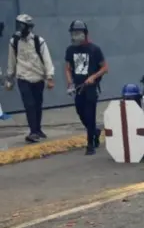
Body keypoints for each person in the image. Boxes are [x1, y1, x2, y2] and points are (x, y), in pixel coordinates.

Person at [5, 14, 55, 143]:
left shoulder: (39, 41)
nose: (19, 28)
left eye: (21, 25)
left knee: (38, 104)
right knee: (29, 104)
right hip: (23, 77)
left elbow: (46, 59)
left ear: (28, 27)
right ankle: (33, 132)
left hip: (38, 77)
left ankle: (38, 129)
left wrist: (49, 77)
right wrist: (9, 77)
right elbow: (12, 60)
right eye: (18, 25)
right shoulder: (14, 42)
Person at [64, 20, 108, 155]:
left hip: (91, 88)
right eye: (73, 33)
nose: (75, 36)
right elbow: (67, 68)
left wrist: (93, 77)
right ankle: (95, 132)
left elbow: (105, 68)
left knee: (90, 115)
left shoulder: (94, 49)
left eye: (77, 33)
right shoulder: (70, 50)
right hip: (78, 87)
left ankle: (90, 145)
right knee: (80, 112)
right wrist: (70, 83)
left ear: (85, 33)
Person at [122, 83, 144, 158]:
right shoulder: (123, 104)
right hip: (132, 123)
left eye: (132, 97)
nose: (130, 99)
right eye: (128, 97)